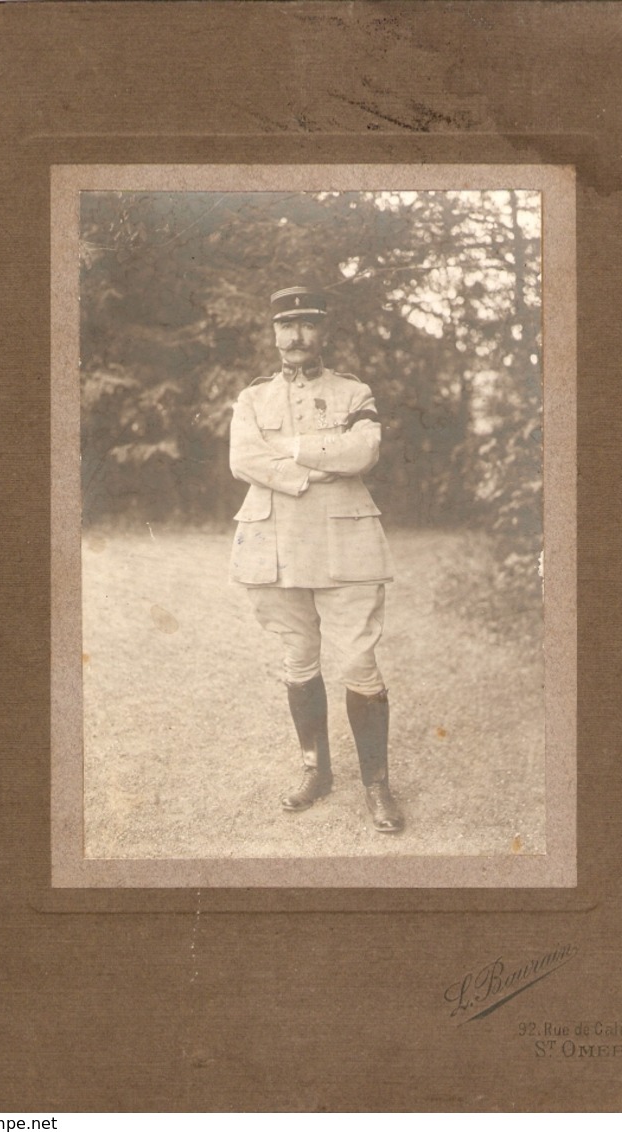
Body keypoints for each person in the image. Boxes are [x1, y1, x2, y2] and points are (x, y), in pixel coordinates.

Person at [228, 284, 404, 833]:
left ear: (324, 331)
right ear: (274, 332)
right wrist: (313, 472)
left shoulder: (353, 392)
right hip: (273, 544)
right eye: (287, 325)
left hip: (345, 542)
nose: (297, 336)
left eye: (307, 324)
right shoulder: (253, 398)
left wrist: (293, 447)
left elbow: (364, 451)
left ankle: (376, 783)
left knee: (359, 664)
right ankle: (316, 770)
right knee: (298, 660)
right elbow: (243, 459)